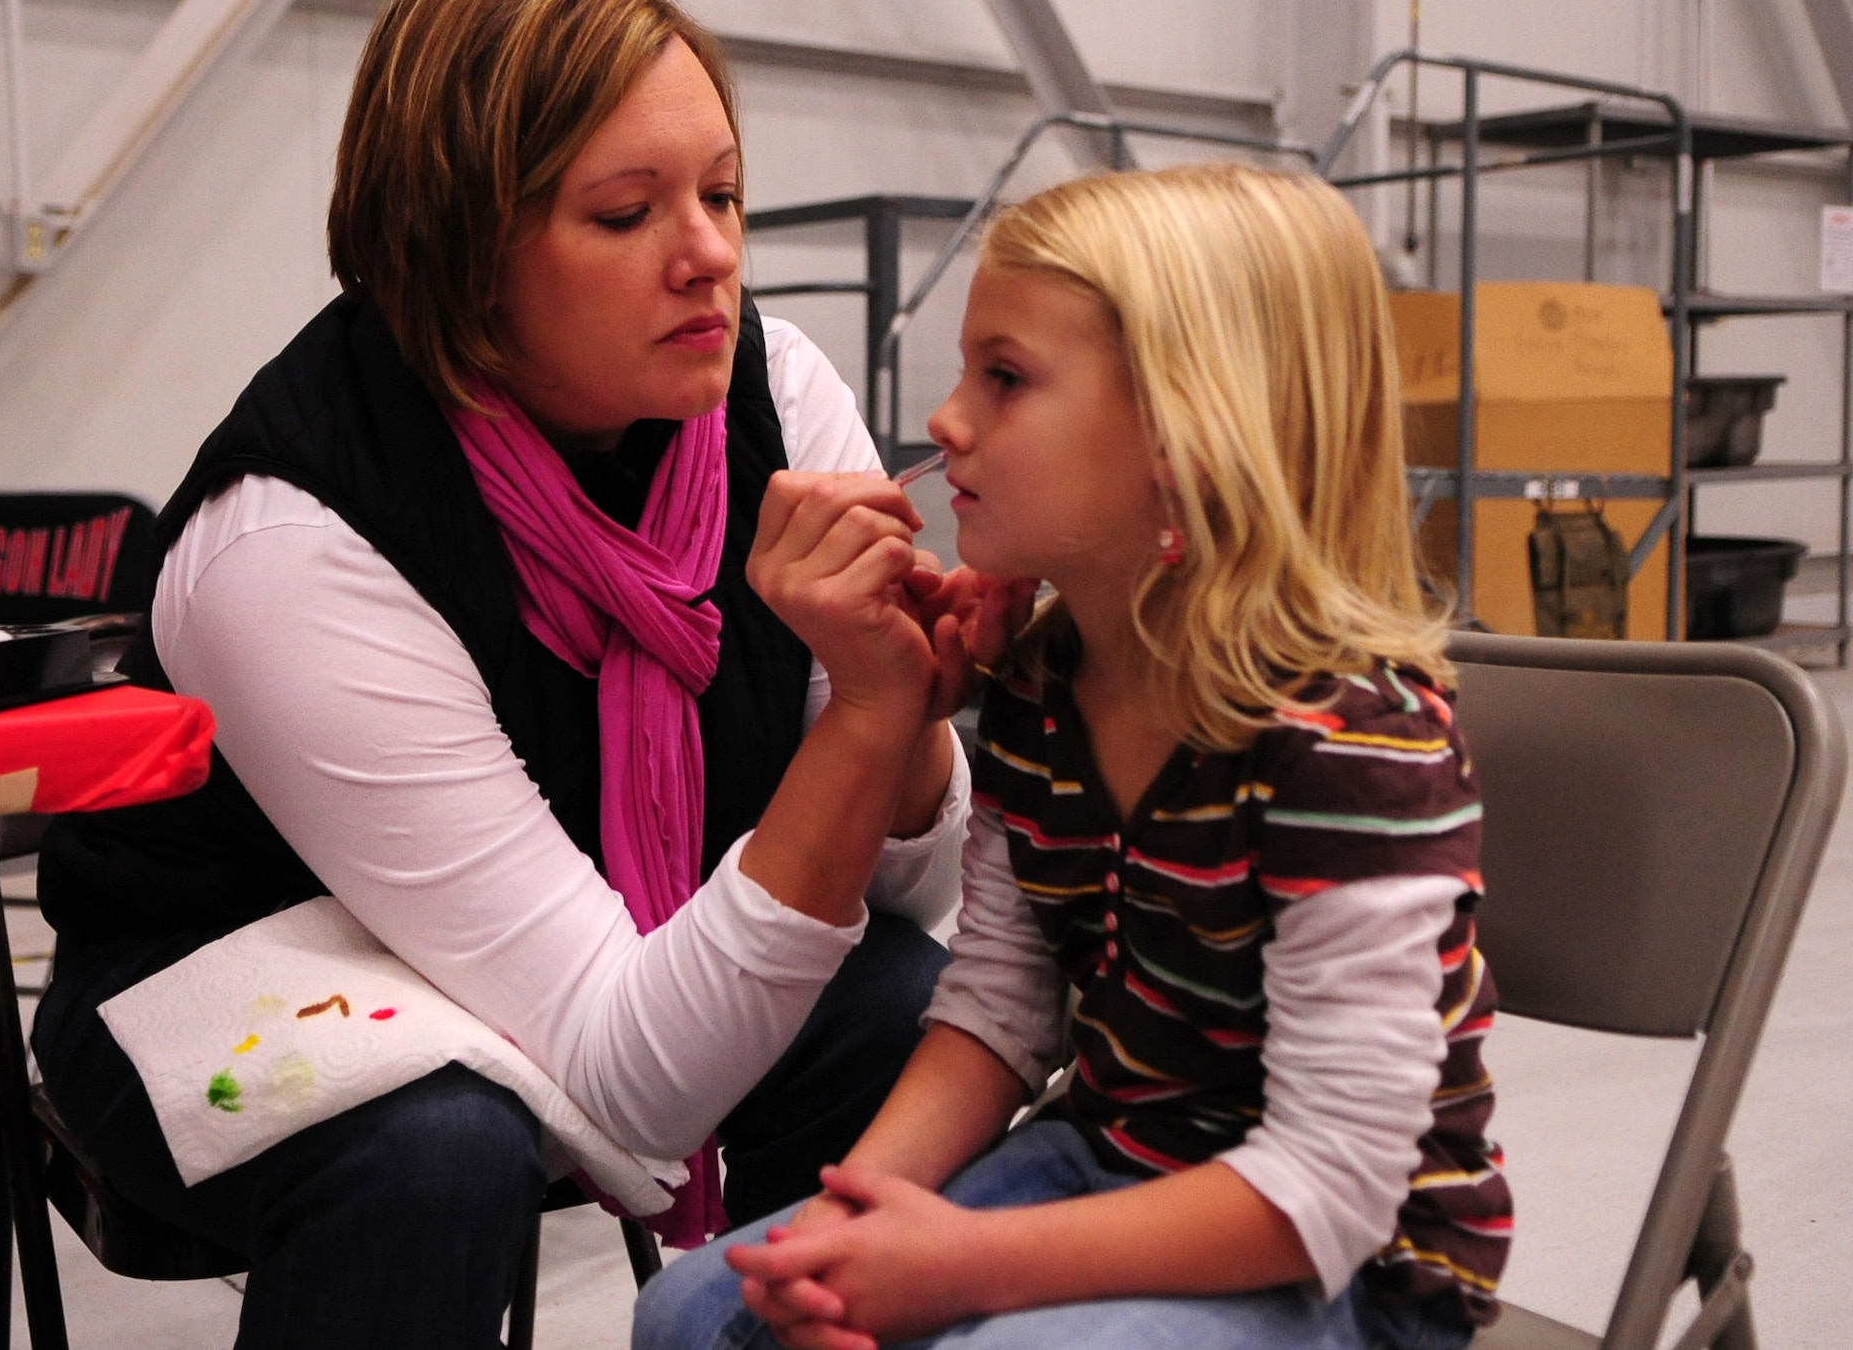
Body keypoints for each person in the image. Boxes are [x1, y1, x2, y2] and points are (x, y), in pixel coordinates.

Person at [30, 0, 1020, 1349]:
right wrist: (857, 719)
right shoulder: (291, 539)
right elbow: (632, 1082)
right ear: (455, 249)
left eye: (723, 193)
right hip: (249, 974)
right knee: (434, 1152)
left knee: (910, 1019)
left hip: (626, 925)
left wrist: (907, 708)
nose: (712, 254)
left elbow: (910, 884)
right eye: (627, 212)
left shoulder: (779, 398)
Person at [634, 164, 1514, 1350]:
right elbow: (999, 1007)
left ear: (1187, 434)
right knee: (696, 1314)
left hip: (1348, 1270)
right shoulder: (1044, 686)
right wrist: (853, 1226)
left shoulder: (1347, 747)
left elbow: (1330, 1187)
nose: (945, 420)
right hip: (1105, 1159)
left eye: (1003, 377)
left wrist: (956, 1264)